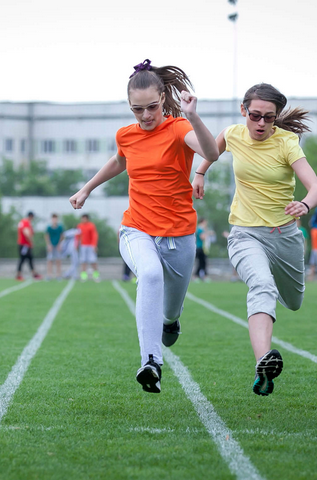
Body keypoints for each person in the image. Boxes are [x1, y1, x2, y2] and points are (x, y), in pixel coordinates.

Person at [70, 59, 219, 393]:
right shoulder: (126, 134)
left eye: (152, 107)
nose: (146, 115)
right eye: (138, 110)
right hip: (136, 228)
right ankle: (151, 361)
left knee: (171, 309)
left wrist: (193, 116)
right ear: (130, 107)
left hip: (179, 234)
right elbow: (119, 161)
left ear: (164, 98)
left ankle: (170, 321)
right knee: (149, 275)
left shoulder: (180, 129)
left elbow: (212, 152)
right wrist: (86, 189)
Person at [193, 83, 317, 396]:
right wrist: (200, 173)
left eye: (269, 117)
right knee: (262, 286)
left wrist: (304, 204)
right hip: (244, 233)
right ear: (244, 111)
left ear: (276, 118)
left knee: (293, 302)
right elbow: (213, 149)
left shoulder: (287, 142)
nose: (261, 123)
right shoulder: (234, 133)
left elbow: (315, 187)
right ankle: (263, 361)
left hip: (285, 237)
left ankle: (266, 345)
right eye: (255, 116)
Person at [17, 211, 41, 281]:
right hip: (25, 245)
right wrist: (31, 241)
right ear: (31, 216)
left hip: (25, 244)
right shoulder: (26, 222)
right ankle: (18, 274)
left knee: (30, 259)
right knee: (23, 259)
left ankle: (34, 273)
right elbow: (26, 232)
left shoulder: (23, 222)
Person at [77, 214, 100, 282]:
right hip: (83, 246)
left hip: (90, 246)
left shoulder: (91, 226)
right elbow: (78, 236)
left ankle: (96, 275)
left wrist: (94, 245)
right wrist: (77, 245)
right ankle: (84, 276)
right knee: (83, 261)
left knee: (93, 261)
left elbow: (94, 236)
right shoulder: (79, 226)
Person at [44, 213, 64, 280]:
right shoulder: (49, 227)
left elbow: (62, 236)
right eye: (53, 218)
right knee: (49, 260)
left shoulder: (60, 227)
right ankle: (49, 274)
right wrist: (49, 245)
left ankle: (58, 275)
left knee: (58, 260)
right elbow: (47, 236)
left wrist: (59, 244)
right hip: (51, 245)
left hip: (57, 245)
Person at [194, 218, 213, 282]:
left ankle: (202, 276)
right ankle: (197, 276)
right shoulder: (199, 229)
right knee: (201, 262)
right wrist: (208, 233)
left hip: (203, 248)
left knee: (203, 262)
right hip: (200, 248)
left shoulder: (202, 229)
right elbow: (202, 237)